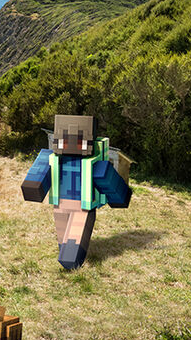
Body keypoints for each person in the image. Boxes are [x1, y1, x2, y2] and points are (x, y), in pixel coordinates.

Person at [21, 115, 132, 269]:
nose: (71, 142)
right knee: (63, 240)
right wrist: (33, 187)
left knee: (72, 246)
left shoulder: (94, 163)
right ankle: (68, 256)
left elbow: (109, 181)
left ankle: (71, 263)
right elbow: (38, 176)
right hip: (60, 205)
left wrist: (119, 197)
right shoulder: (53, 159)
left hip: (82, 207)